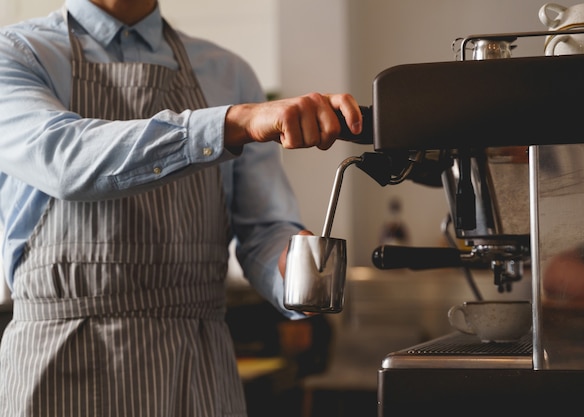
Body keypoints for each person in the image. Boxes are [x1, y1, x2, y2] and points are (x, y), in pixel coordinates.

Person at [0, 0, 363, 416]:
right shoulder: (16, 52)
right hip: (58, 365)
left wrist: (290, 269)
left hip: (196, 368)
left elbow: (262, 229)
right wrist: (230, 124)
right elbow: (64, 159)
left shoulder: (229, 72)